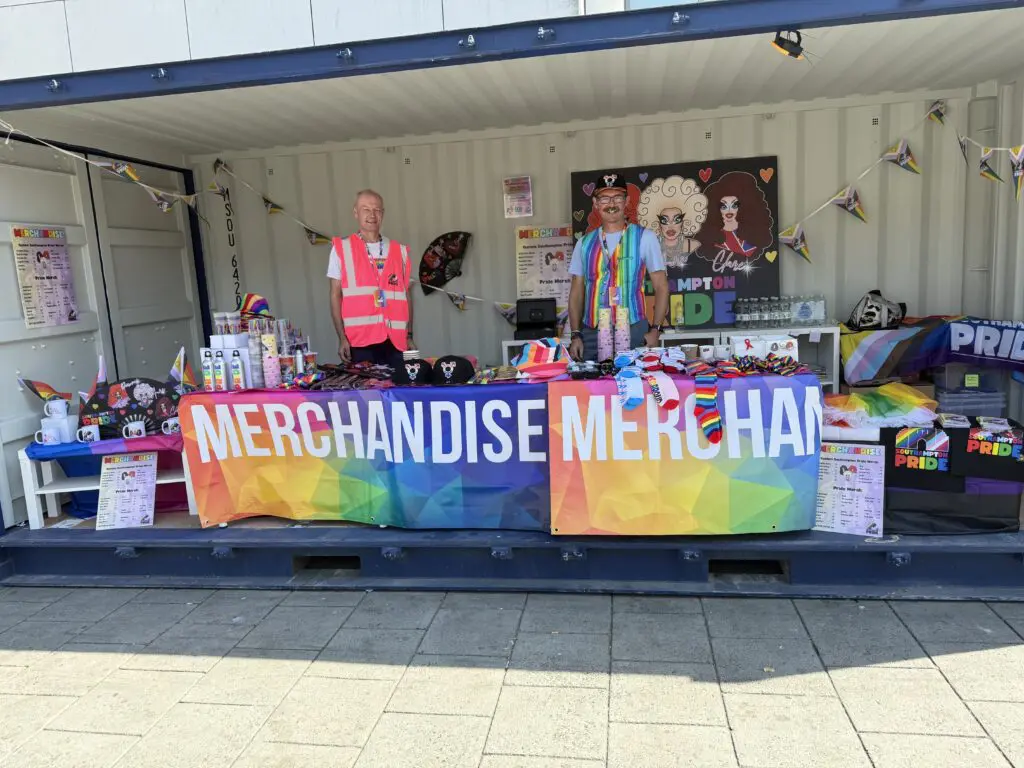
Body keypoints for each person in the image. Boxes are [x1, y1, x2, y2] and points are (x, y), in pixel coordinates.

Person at [568, 172, 670, 362]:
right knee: (595, 387)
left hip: (634, 329)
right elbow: (576, 292)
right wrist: (575, 335)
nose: (611, 204)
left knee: (635, 386)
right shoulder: (584, 243)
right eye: (605, 198)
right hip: (592, 331)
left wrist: (655, 330)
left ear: (626, 201)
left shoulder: (645, 237)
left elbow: (661, 286)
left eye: (617, 197)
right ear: (596, 203)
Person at [328, 189, 414, 369]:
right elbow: (335, 295)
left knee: (399, 391)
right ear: (355, 213)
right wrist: (342, 337)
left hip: (395, 341)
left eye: (377, 210)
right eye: (366, 209)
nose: (372, 215)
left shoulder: (399, 251)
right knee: (365, 394)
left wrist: (409, 336)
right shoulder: (341, 249)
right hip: (360, 341)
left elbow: (406, 295)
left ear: (383, 213)